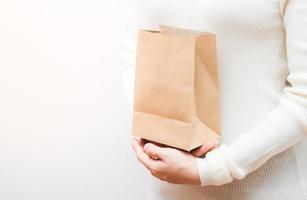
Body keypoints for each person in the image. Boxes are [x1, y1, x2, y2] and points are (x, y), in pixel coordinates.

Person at [120, 0, 307, 199]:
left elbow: (303, 97)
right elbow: (135, 55)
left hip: (266, 188)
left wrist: (210, 169)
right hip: (170, 187)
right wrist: (154, 130)